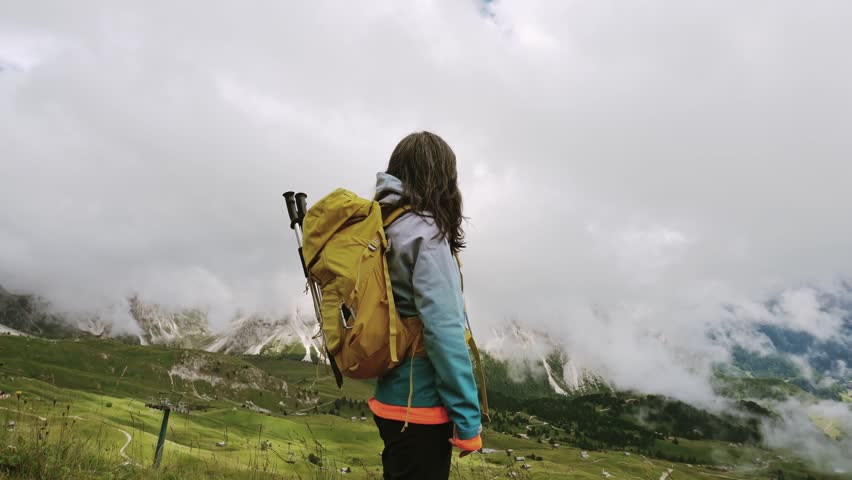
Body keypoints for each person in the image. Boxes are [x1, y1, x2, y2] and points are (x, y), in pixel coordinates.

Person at [368, 131, 483, 479]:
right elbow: (444, 331)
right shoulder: (427, 235)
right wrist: (467, 420)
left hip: (388, 401)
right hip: (422, 409)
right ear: (442, 179)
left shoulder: (381, 223)